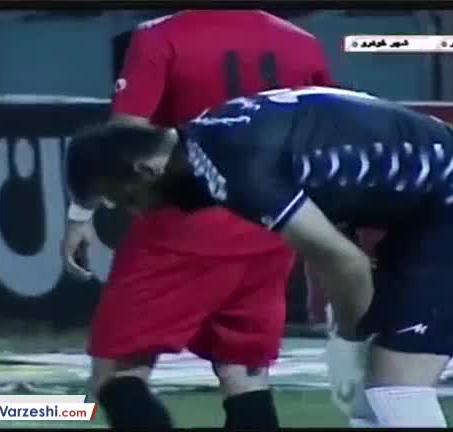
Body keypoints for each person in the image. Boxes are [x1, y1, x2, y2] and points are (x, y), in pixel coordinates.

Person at [64, 86, 453, 428]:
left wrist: (348, 339)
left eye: (127, 199)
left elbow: (344, 262)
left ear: (146, 169)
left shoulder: (236, 168)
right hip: (440, 210)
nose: (138, 212)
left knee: (394, 385)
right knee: (371, 395)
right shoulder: (214, 130)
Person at [59, 11, 332, 428]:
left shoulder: (160, 35)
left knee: (117, 373)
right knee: (245, 374)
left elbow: (125, 141)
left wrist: (81, 212)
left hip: (184, 225)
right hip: (272, 223)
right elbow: (324, 131)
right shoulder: (301, 41)